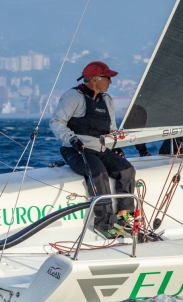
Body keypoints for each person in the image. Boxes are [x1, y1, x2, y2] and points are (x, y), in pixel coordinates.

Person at [50, 61, 136, 239]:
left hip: (102, 148)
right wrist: (72, 139)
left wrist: (116, 146)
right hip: (77, 150)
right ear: (96, 79)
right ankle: (103, 223)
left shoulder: (107, 100)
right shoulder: (73, 96)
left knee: (126, 169)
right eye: (108, 78)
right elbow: (56, 122)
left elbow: (112, 130)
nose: (110, 82)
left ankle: (123, 216)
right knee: (98, 173)